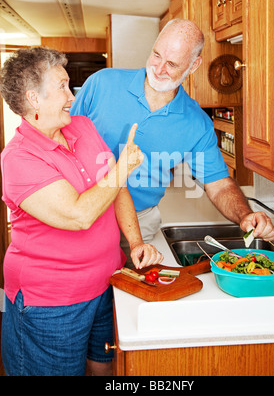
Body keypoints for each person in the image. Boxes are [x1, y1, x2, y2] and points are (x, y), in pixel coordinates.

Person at [0, 47, 163, 376]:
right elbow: (78, 215)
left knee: (103, 369)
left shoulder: (82, 126)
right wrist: (123, 168)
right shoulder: (18, 159)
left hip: (105, 285)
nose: (72, 97)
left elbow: (115, 191)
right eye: (62, 86)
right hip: (50, 306)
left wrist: (135, 243)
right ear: (34, 98)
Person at [70, 18, 274, 251]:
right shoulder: (102, 83)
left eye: (172, 64)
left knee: (130, 285)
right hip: (82, 208)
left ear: (193, 65)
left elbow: (218, 185)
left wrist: (244, 215)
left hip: (139, 221)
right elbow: (63, 139)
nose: (159, 69)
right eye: (156, 55)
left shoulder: (197, 123)